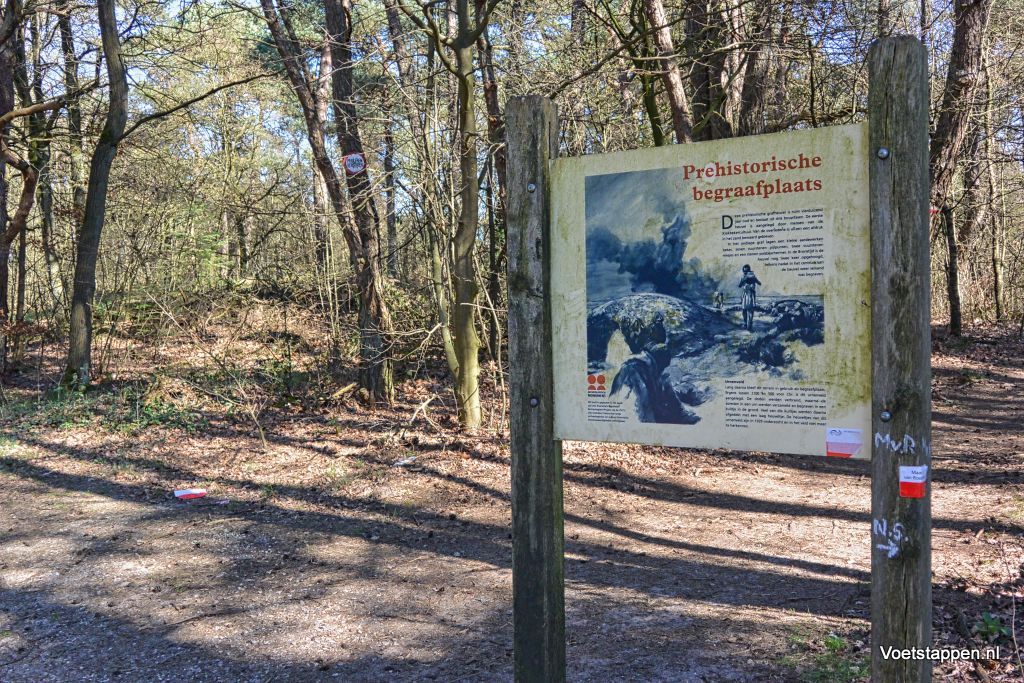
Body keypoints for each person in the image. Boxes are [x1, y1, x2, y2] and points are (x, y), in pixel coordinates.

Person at [738, 264, 761, 331]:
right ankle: (745, 324)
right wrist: (744, 279)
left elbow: (759, 283)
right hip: (745, 295)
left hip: (751, 295)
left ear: (749, 270)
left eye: (746, 271)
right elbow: (739, 285)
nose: (745, 272)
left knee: (750, 311)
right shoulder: (743, 277)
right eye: (744, 271)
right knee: (744, 310)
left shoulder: (753, 276)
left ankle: (749, 326)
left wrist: (754, 279)